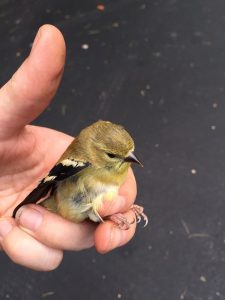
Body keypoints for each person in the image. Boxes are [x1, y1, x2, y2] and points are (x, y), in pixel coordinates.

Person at [0, 25, 137, 271]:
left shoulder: (118, 164)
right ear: (96, 151)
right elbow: (50, 180)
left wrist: (120, 209)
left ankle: (109, 215)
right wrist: (25, 205)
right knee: (94, 208)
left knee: (107, 209)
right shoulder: (82, 160)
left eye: (129, 153)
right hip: (62, 200)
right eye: (113, 156)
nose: (129, 160)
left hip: (80, 202)